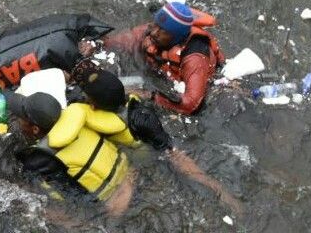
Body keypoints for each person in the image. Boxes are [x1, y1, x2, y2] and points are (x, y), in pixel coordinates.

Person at [71, 68, 243, 214]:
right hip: (116, 152)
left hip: (140, 162)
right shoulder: (89, 110)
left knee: (114, 209)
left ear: (94, 104)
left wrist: (215, 187)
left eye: (88, 98)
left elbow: (172, 153)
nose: (85, 100)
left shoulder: (141, 119)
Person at [10, 92, 136, 216]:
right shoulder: (79, 118)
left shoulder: (40, 158)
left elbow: (64, 199)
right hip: (130, 178)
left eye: (21, 119)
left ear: (35, 129)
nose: (18, 122)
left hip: (112, 207)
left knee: (41, 210)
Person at [100, 2, 225, 115]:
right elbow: (119, 41)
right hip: (159, 71)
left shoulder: (195, 58)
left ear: (177, 36)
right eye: (155, 25)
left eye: (162, 30)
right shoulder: (154, 31)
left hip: (196, 85)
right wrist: (97, 44)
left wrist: (150, 96)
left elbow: (191, 105)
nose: (154, 32)